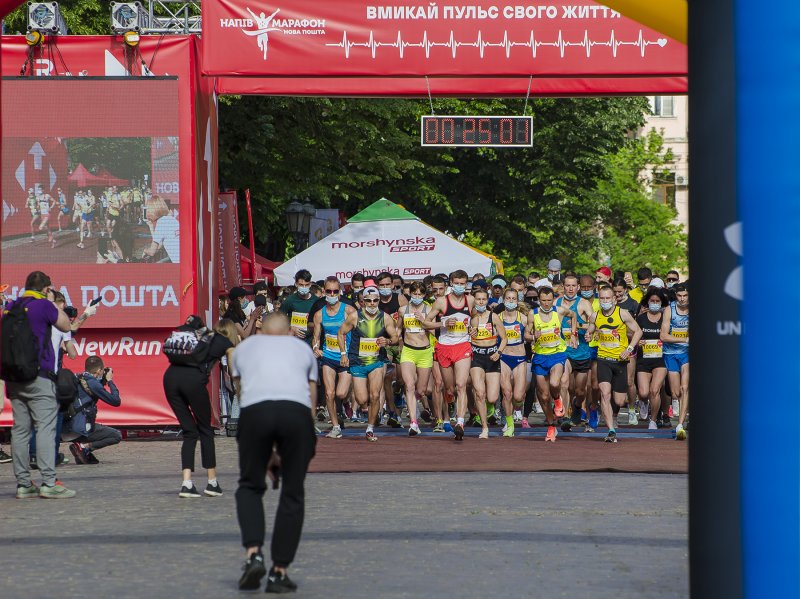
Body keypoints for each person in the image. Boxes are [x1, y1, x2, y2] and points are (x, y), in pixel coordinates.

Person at [232, 312, 318, 594]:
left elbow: (241, 390)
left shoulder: (244, 349)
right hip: (296, 413)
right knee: (293, 493)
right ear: (288, 331)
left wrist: (266, 449)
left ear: (262, 329)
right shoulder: (302, 349)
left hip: (255, 412)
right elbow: (311, 394)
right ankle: (279, 571)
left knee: (249, 485)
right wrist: (307, 433)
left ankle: (253, 553)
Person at [6, 271, 75, 498]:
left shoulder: (11, 307)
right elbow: (66, 326)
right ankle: (48, 482)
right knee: (45, 427)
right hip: (40, 376)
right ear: (46, 289)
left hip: (14, 377)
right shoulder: (43, 305)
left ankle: (24, 484)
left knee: (20, 431)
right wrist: (54, 305)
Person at [163, 315, 233, 497]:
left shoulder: (180, 337)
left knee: (189, 431)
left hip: (170, 379)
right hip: (193, 380)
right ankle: (212, 482)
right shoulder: (215, 339)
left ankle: (186, 483)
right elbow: (232, 356)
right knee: (205, 429)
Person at [338, 285, 399, 441]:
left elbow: (395, 338)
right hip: (357, 361)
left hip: (377, 361)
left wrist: (388, 341)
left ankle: (370, 429)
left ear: (379, 301)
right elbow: (341, 333)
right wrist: (343, 354)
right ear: (363, 302)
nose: (372, 303)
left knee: (375, 395)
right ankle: (367, 411)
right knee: (362, 399)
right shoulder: (354, 317)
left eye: (375, 300)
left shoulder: (385, 317)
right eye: (368, 300)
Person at [585, 287, 643, 443]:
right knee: (604, 393)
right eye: (602, 298)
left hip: (620, 361)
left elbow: (638, 331)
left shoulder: (622, 314)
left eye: (607, 298)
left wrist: (629, 349)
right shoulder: (595, 315)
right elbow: (591, 329)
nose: (604, 301)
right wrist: (588, 334)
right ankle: (611, 430)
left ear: (614, 299)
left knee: (619, 401)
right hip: (603, 359)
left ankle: (610, 409)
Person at [423, 270, 474, 441]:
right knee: (450, 388)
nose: (460, 286)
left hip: (463, 346)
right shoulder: (441, 302)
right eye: (457, 283)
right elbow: (425, 323)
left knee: (461, 385)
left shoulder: (471, 300)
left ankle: (460, 423)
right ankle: (449, 402)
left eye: (463, 283)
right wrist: (443, 322)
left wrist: (472, 328)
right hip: (444, 347)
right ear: (451, 283)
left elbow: (473, 319)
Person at [528, 286, 578, 442]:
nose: (546, 304)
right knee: (543, 396)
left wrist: (573, 334)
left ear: (553, 299)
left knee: (555, 383)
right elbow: (526, 334)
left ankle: (557, 400)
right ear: (539, 300)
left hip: (557, 354)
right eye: (543, 301)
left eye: (549, 300)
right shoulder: (533, 314)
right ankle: (551, 426)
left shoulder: (560, 311)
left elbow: (573, 315)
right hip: (540, 356)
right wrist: (532, 336)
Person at [312, 276, 355, 439]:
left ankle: (345, 403)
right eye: (328, 291)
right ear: (324, 292)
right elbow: (316, 336)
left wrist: (352, 353)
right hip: (328, 356)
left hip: (345, 357)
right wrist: (315, 348)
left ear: (340, 292)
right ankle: (335, 426)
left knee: (341, 393)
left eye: (335, 291)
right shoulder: (319, 315)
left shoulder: (348, 310)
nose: (332, 294)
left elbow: (358, 331)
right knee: (329, 393)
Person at [66, 356, 123, 464]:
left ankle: (82, 449)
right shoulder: (93, 383)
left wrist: (102, 381)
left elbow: (89, 391)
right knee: (116, 435)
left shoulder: (77, 378)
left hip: (65, 428)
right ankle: (85, 447)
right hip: (81, 429)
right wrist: (110, 381)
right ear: (99, 371)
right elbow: (116, 401)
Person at [558, 275, 595, 432]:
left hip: (581, 352)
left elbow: (594, 322)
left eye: (573, 286)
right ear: (563, 287)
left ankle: (577, 405)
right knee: (564, 382)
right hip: (563, 351)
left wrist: (585, 329)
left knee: (580, 391)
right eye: (567, 285)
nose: (570, 289)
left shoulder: (584, 304)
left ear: (578, 287)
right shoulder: (556, 303)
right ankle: (565, 417)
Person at [398, 282, 435, 436]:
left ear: (424, 295)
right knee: (409, 386)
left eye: (420, 294)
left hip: (425, 352)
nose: (417, 297)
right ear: (410, 294)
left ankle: (416, 400)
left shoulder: (429, 310)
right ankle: (413, 423)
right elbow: (398, 330)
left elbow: (433, 330)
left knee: (422, 390)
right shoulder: (402, 310)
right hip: (408, 350)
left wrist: (424, 321)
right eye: (414, 294)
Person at [469, 288, 507, 438]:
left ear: (487, 300)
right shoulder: (471, 318)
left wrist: (498, 352)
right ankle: (484, 427)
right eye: (478, 299)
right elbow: (465, 336)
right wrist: (469, 333)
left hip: (492, 358)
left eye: (484, 299)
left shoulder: (494, 317)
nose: (481, 302)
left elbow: (504, 338)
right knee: (479, 393)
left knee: (492, 397)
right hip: (476, 357)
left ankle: (490, 406)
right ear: (474, 300)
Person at [635, 288, 669, 430]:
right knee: (644, 392)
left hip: (660, 360)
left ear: (661, 303)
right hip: (644, 360)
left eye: (657, 301)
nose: (654, 303)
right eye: (652, 301)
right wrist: (638, 341)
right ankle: (644, 402)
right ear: (647, 302)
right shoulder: (641, 318)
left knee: (654, 390)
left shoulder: (665, 318)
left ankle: (653, 420)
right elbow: (633, 334)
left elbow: (669, 335)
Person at [660, 283, 689, 440]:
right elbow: (663, 336)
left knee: (685, 388)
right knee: (676, 392)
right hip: (671, 353)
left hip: (687, 354)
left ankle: (680, 425)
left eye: (685, 296)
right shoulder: (669, 310)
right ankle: (683, 412)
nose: (683, 299)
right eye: (679, 296)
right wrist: (685, 338)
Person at [279, 270, 317, 347]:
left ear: (310, 284)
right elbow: (279, 319)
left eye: (306, 285)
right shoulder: (289, 300)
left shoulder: (316, 301)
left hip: (310, 341)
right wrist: (291, 327)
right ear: (296, 284)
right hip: (293, 341)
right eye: (301, 285)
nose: (304, 287)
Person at [143, 195, 180, 263]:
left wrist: (145, 251)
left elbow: (152, 251)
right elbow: (159, 244)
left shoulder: (161, 223)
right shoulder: (172, 220)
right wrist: (151, 226)